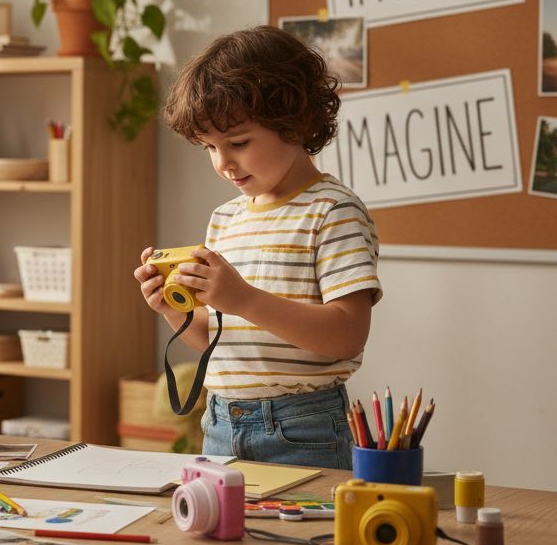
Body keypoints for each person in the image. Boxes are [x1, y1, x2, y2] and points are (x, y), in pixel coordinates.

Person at [133, 25, 382, 469]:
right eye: (210, 147)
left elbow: (346, 335)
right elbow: (217, 339)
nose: (223, 162)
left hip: (303, 427)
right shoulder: (226, 218)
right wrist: (173, 310)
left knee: (294, 537)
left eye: (239, 143)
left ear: (295, 121)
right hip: (220, 422)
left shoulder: (333, 211)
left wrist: (243, 298)